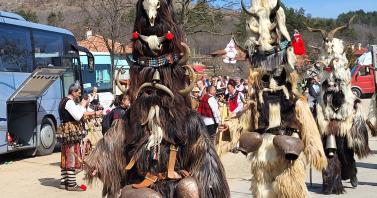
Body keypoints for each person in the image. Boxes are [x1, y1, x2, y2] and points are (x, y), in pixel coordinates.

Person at [56, 82, 102, 191]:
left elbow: (76, 113)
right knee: (71, 155)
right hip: (71, 132)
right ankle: (71, 184)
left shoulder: (64, 101)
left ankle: (64, 182)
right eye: (78, 93)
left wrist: (83, 107)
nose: (79, 95)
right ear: (73, 92)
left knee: (66, 154)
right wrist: (83, 104)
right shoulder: (69, 102)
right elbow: (77, 116)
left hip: (66, 131)